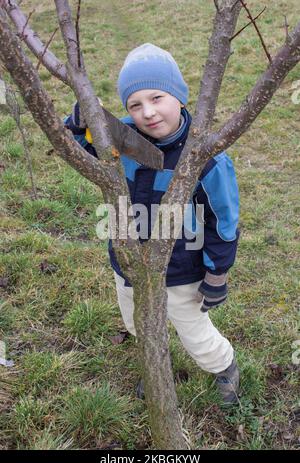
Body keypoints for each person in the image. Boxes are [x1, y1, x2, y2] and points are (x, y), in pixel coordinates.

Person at [65, 43, 240, 405]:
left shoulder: (205, 158)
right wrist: (79, 124)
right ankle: (157, 368)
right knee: (138, 323)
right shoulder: (118, 137)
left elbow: (222, 223)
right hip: (128, 262)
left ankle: (224, 366)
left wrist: (217, 274)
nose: (147, 112)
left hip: (182, 271)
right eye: (134, 104)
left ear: (179, 96)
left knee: (194, 332)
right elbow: (82, 150)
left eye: (157, 97)